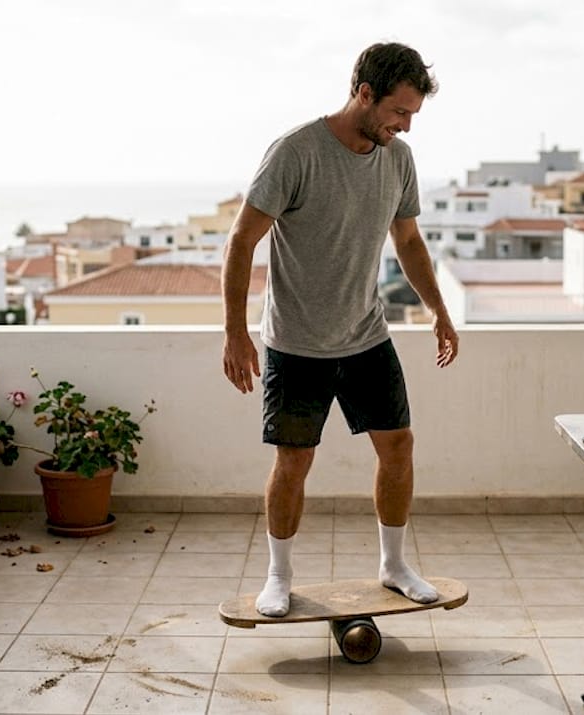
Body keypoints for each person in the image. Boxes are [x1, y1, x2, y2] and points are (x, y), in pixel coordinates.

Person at [221, 42, 460, 617]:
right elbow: (241, 240)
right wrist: (235, 332)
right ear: (364, 93)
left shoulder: (397, 158)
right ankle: (278, 578)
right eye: (399, 112)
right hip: (296, 342)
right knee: (294, 462)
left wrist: (439, 310)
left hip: (366, 335)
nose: (405, 126)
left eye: (412, 116)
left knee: (398, 446)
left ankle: (394, 565)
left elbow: (408, 241)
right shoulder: (296, 152)